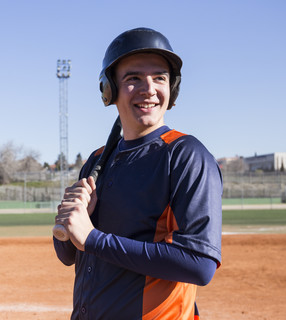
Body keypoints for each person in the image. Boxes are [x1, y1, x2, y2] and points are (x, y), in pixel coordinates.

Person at [53, 27, 223, 320]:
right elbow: (68, 255)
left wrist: (93, 238)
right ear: (109, 90)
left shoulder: (184, 155)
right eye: (133, 78)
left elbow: (199, 264)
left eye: (160, 77)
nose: (149, 89)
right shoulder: (97, 160)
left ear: (173, 90)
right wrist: (70, 223)